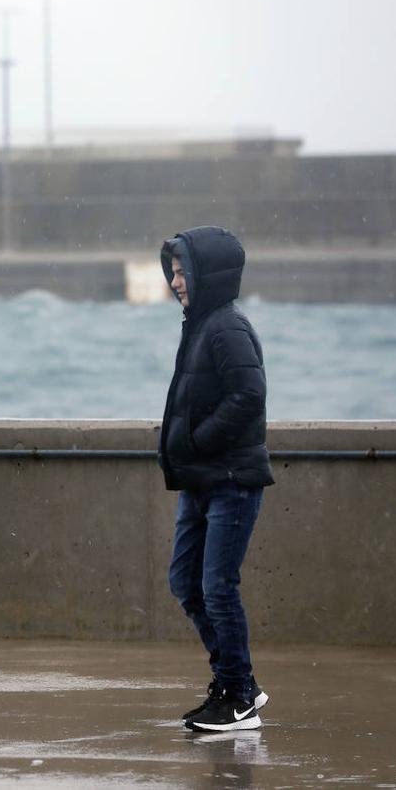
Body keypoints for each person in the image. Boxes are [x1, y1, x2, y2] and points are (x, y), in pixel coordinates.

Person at [158, 226, 275, 732]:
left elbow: (249, 395)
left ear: (210, 274)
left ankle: (238, 695)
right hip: (202, 481)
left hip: (230, 479)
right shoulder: (201, 324)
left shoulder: (226, 327)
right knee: (186, 582)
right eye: (174, 273)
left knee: (217, 588)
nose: (177, 282)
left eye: (184, 272)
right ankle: (235, 684)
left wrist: (199, 439)